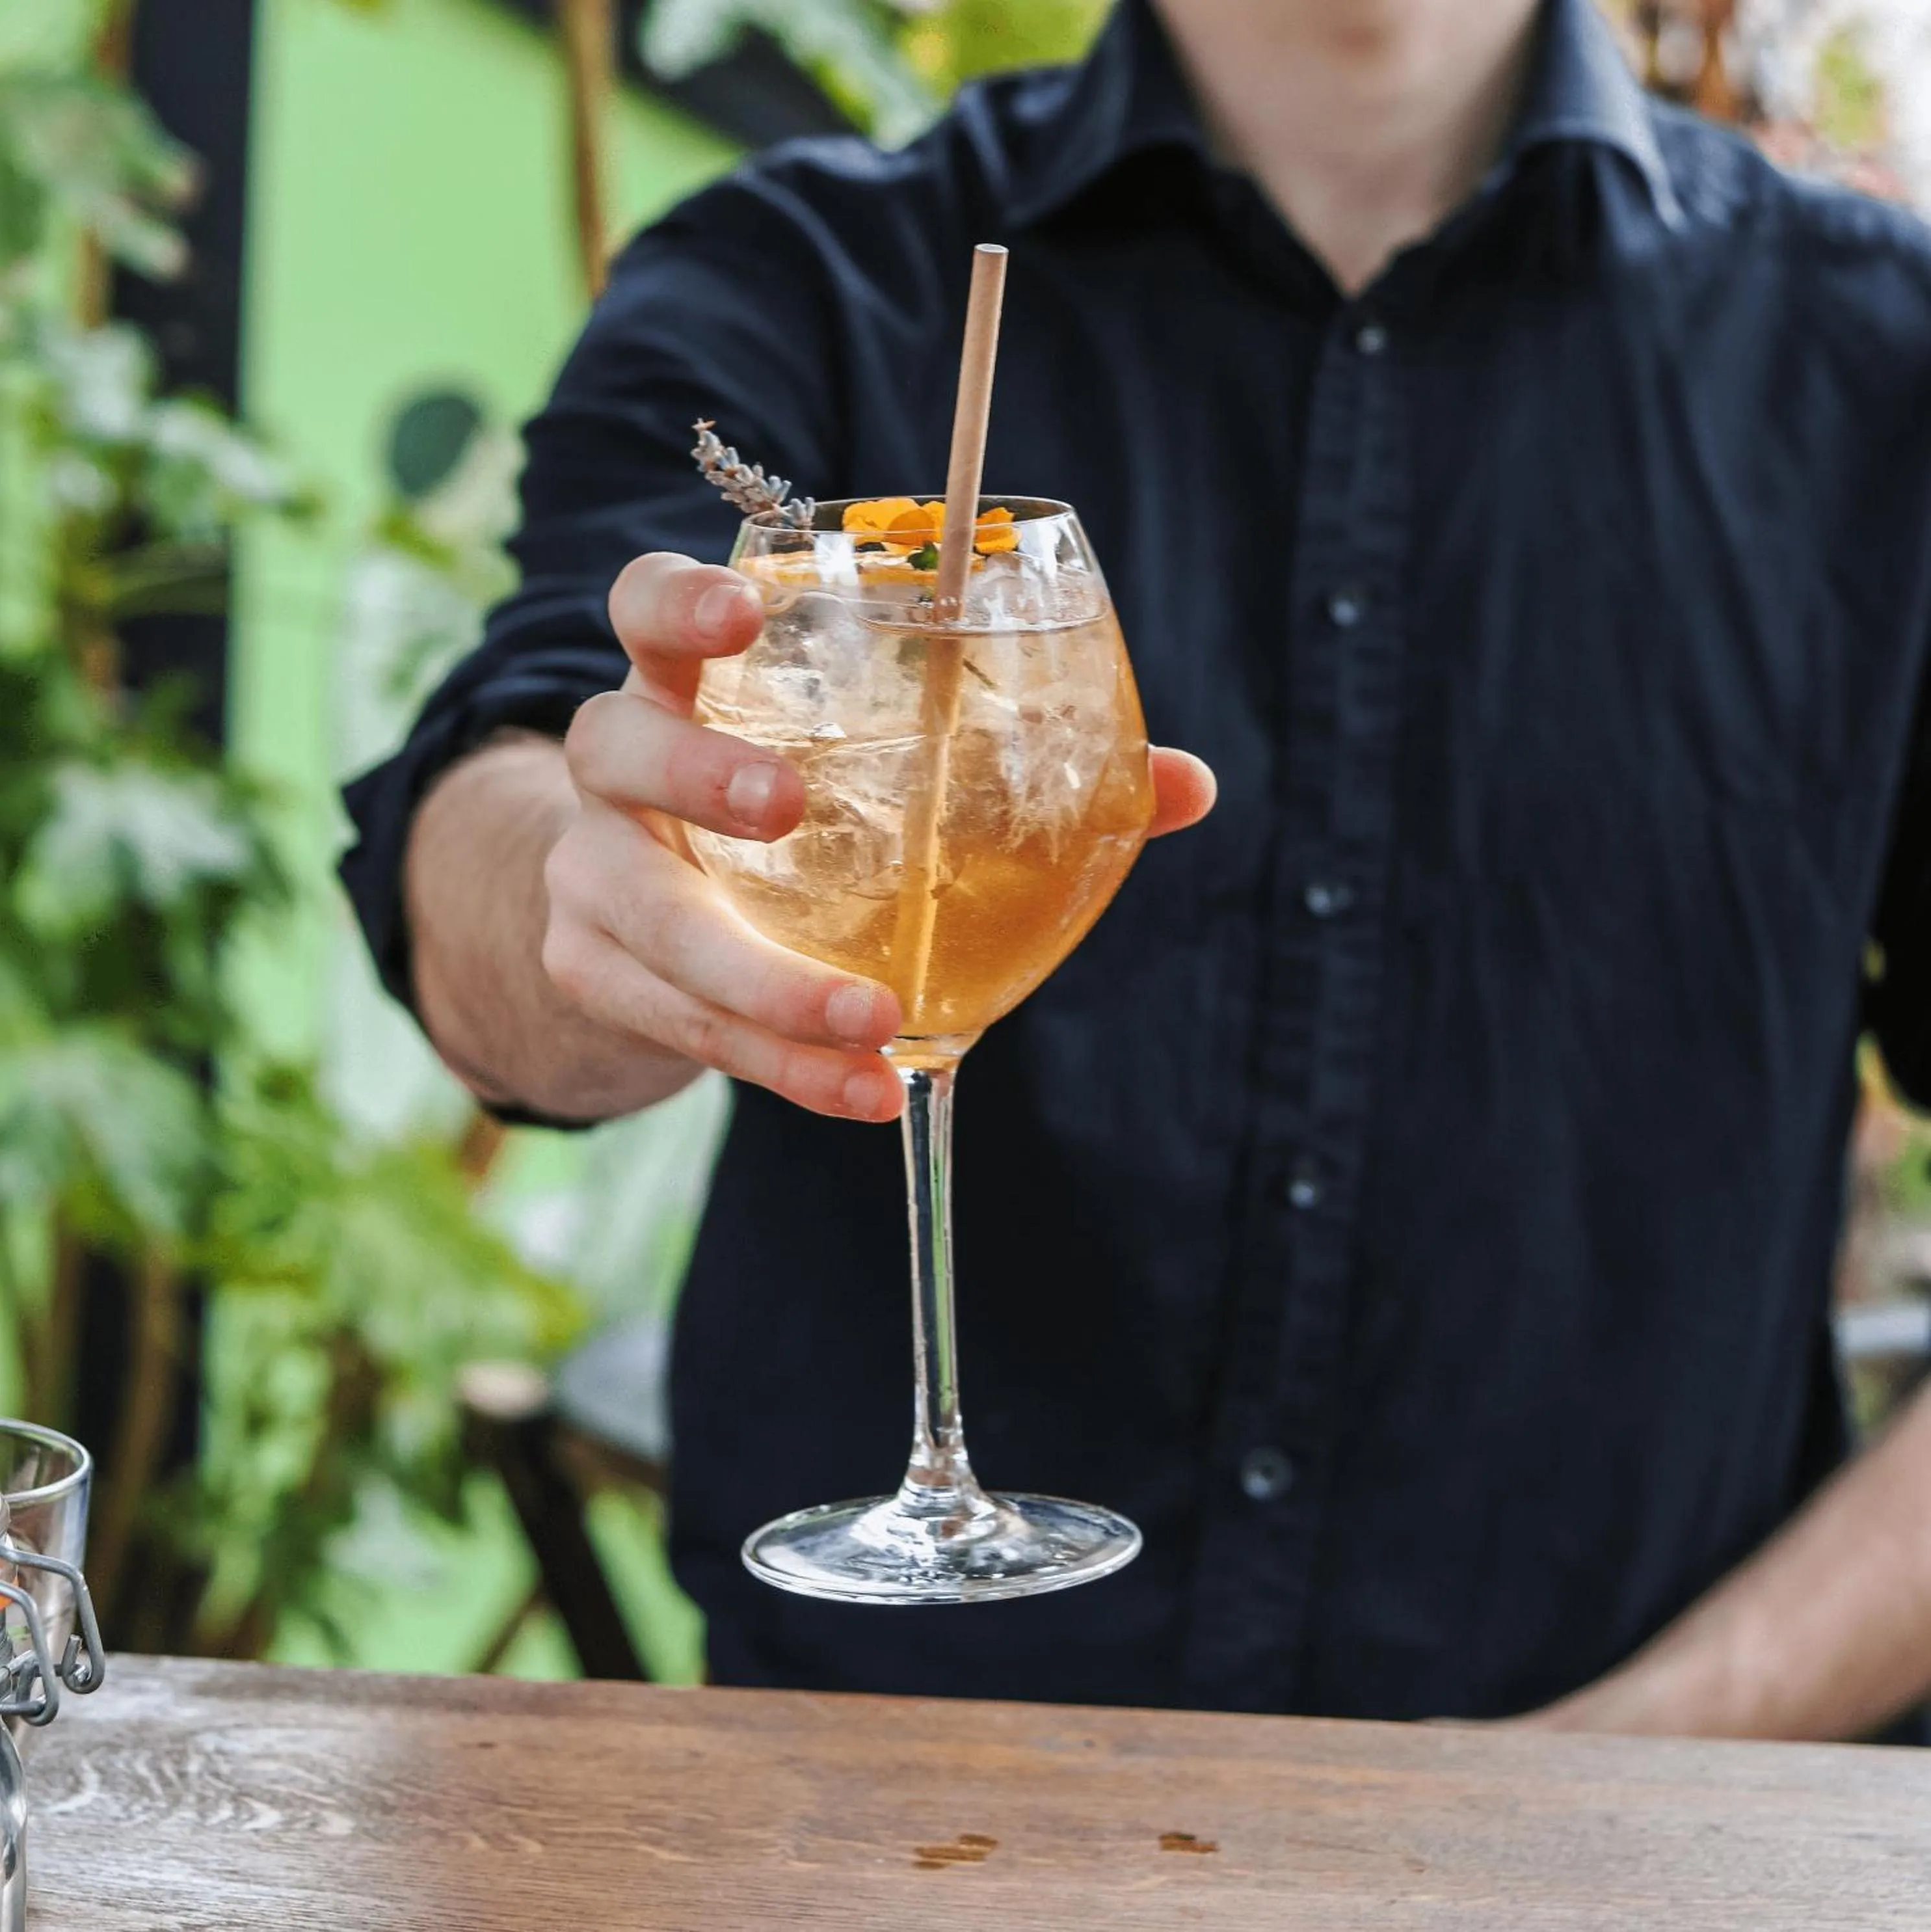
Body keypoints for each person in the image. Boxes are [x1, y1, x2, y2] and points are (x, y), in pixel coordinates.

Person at [341, 0, 1931, 1737]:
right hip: (882, 1818)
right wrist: (584, 898)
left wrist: (1637, 1768)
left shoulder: (1885, 362)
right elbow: (506, 798)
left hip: (1631, 1843)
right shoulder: (809, 267)